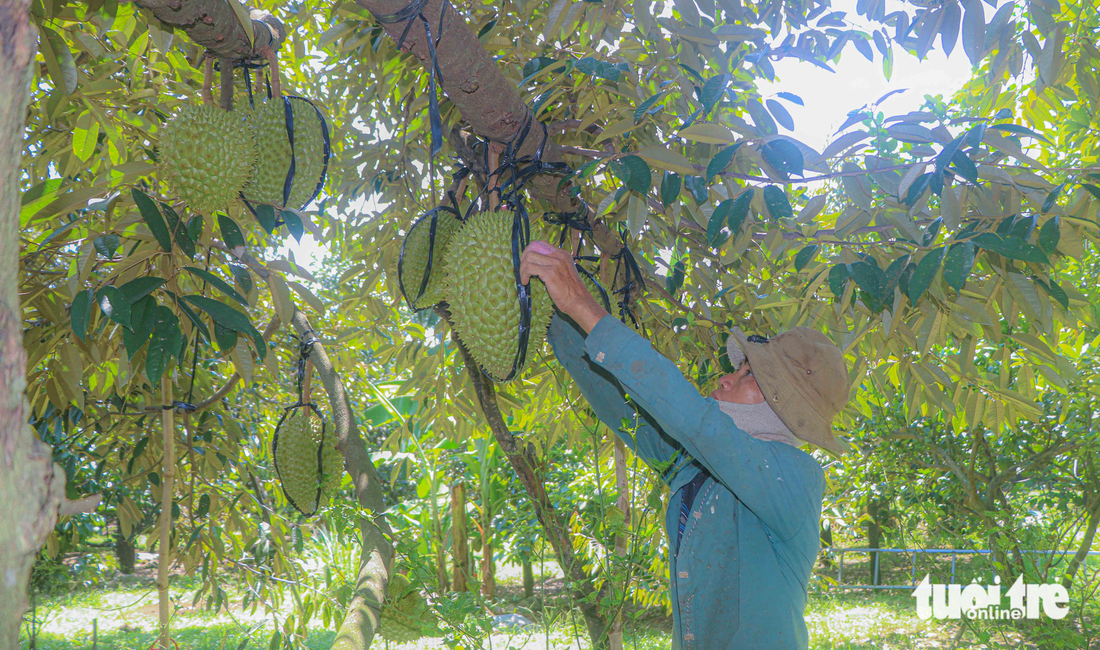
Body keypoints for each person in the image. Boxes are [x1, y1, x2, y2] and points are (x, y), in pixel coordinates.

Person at [520, 240, 853, 650]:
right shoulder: (693, 466)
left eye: (747, 376)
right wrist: (548, 310)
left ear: (784, 406)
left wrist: (581, 303)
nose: (725, 379)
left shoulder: (797, 479)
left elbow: (697, 421)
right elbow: (621, 408)